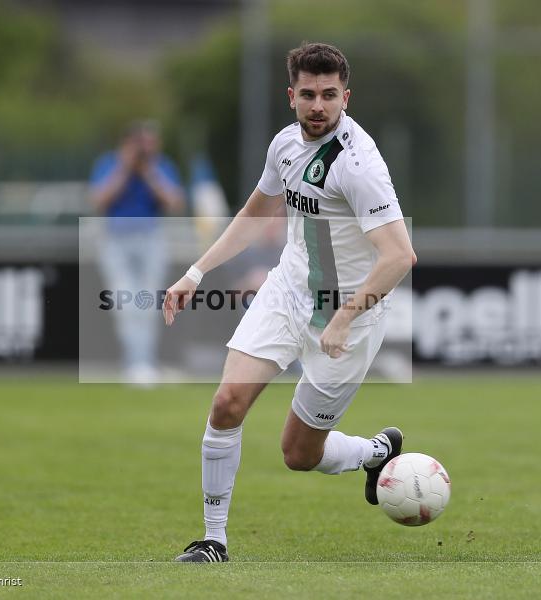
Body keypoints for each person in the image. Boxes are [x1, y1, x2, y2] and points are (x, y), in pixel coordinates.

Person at [163, 43, 417, 562]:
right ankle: (214, 539)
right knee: (227, 403)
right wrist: (195, 272)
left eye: (329, 95)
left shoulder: (359, 164)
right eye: (309, 94)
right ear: (291, 97)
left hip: (349, 315)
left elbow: (400, 256)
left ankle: (375, 452)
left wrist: (346, 316)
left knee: (298, 455)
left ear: (346, 96)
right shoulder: (284, 145)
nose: (319, 105)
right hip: (288, 290)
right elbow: (255, 214)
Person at [90, 121, 184, 386]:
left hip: (151, 239)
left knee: (148, 302)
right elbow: (99, 199)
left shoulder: (160, 166)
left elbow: (174, 201)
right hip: (115, 241)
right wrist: (125, 167)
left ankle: (141, 363)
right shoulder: (109, 164)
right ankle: (136, 362)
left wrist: (148, 173)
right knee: (124, 301)